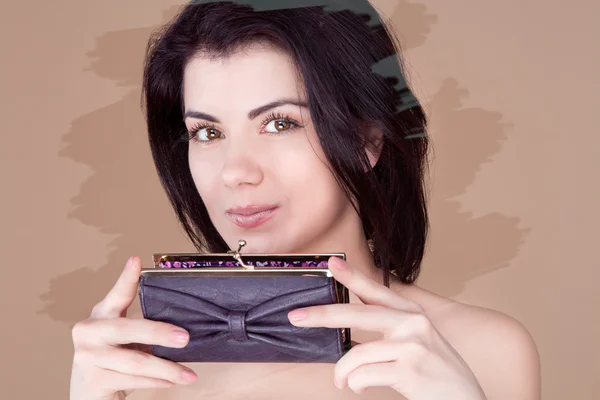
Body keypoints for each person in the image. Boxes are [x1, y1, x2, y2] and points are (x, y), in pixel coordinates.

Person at [69, 1, 541, 399]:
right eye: (208, 132)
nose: (235, 171)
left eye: (280, 123)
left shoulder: (483, 350)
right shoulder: (140, 366)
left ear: (366, 140)